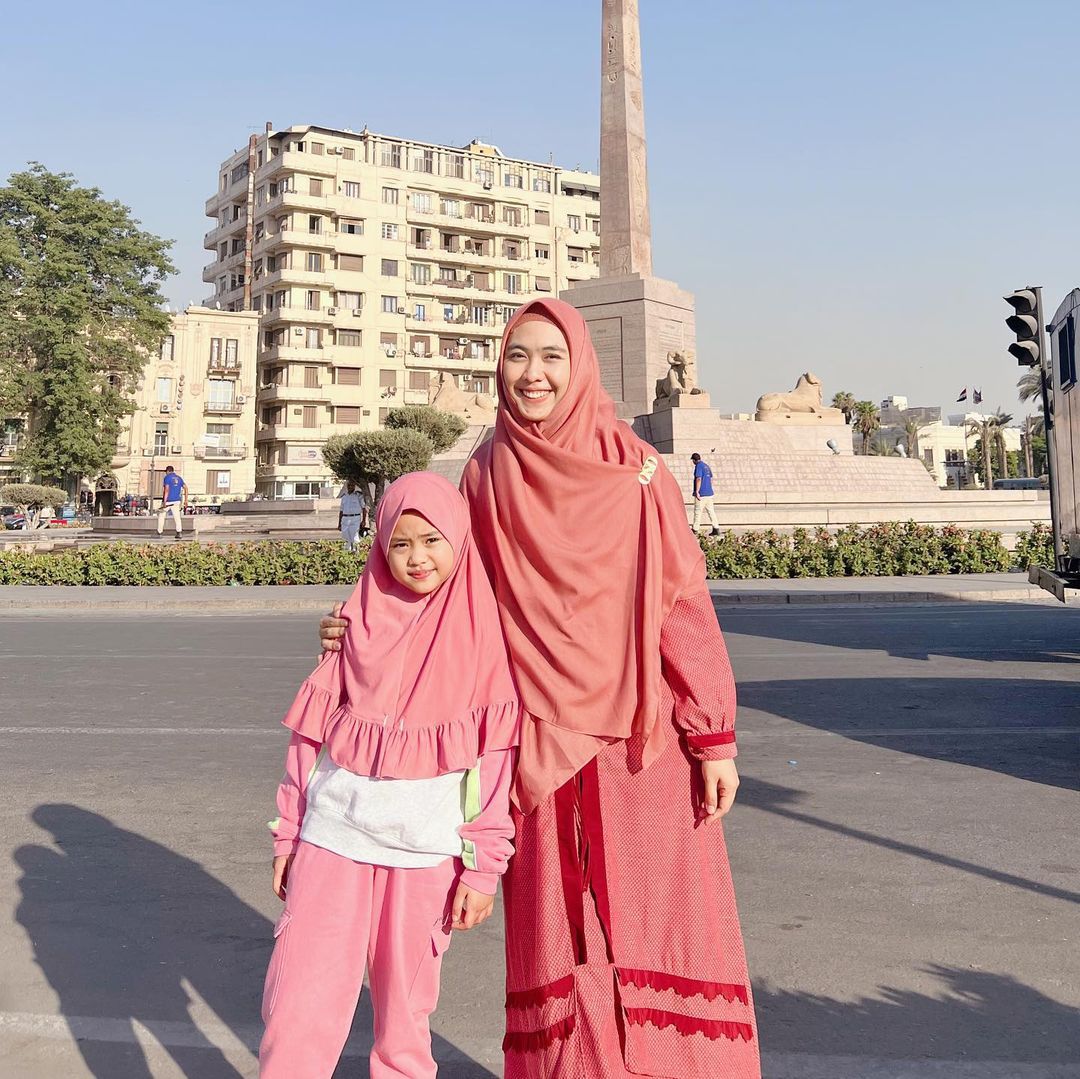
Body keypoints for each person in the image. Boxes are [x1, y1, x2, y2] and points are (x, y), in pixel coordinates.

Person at [321, 300, 760, 1077]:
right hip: (534, 749)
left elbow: (680, 600)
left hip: (638, 741)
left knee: (657, 922)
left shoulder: (638, 471)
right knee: (557, 936)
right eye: (518, 357)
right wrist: (364, 627)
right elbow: (445, 585)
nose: (534, 374)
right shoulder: (486, 473)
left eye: (552, 356)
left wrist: (713, 734)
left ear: (580, 363)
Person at [262, 472, 520, 1078]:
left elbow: (495, 765)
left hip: (427, 854)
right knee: (298, 1005)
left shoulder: (484, 639)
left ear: (458, 539)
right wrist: (288, 830)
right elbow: (310, 737)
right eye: (399, 544)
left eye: (432, 541)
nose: (416, 558)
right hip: (334, 840)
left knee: (404, 1024)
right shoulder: (355, 622)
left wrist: (483, 871)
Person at [691, 450, 720, 536]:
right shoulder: (706, 466)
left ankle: (695, 529)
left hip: (702, 494)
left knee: (698, 511)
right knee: (711, 511)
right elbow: (711, 478)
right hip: (709, 493)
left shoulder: (698, 466)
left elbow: (698, 479)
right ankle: (716, 528)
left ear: (694, 460)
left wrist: (697, 491)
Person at [157, 466, 187, 539]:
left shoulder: (167, 478)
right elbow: (186, 488)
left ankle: (159, 532)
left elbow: (166, 490)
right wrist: (186, 500)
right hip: (177, 500)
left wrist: (164, 501)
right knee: (177, 517)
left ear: (167, 471)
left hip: (168, 501)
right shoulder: (179, 478)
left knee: (161, 515)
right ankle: (179, 532)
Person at [337, 479, 365, 551]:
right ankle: (347, 553)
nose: (350, 487)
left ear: (354, 487)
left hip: (355, 518)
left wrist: (364, 520)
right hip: (345, 518)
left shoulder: (358, 496)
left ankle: (357, 553)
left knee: (355, 536)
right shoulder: (344, 497)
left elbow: (364, 508)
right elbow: (341, 511)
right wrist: (339, 523)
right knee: (345, 537)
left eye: (352, 485)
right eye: (349, 485)